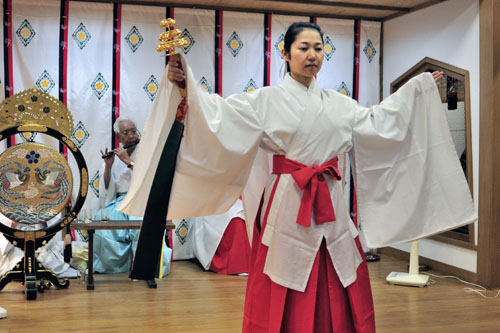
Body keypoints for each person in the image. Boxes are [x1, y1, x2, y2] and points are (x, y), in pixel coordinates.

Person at [119, 22, 476, 332]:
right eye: (303, 47)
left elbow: (379, 121)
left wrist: (418, 91)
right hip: (289, 202)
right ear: (285, 53)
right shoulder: (266, 100)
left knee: (341, 274)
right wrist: (187, 86)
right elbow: (217, 114)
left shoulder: (339, 104)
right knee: (284, 274)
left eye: (318, 48)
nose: (312, 55)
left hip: (332, 207)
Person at [95, 118, 171, 276]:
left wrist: (128, 161)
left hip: (142, 201)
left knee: (144, 224)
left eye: (133, 131)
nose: (131, 135)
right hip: (121, 201)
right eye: (126, 133)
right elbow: (107, 189)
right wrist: (108, 167)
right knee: (103, 218)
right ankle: (114, 266)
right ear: (118, 137)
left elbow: (150, 179)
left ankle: (146, 268)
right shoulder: (114, 156)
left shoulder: (147, 153)